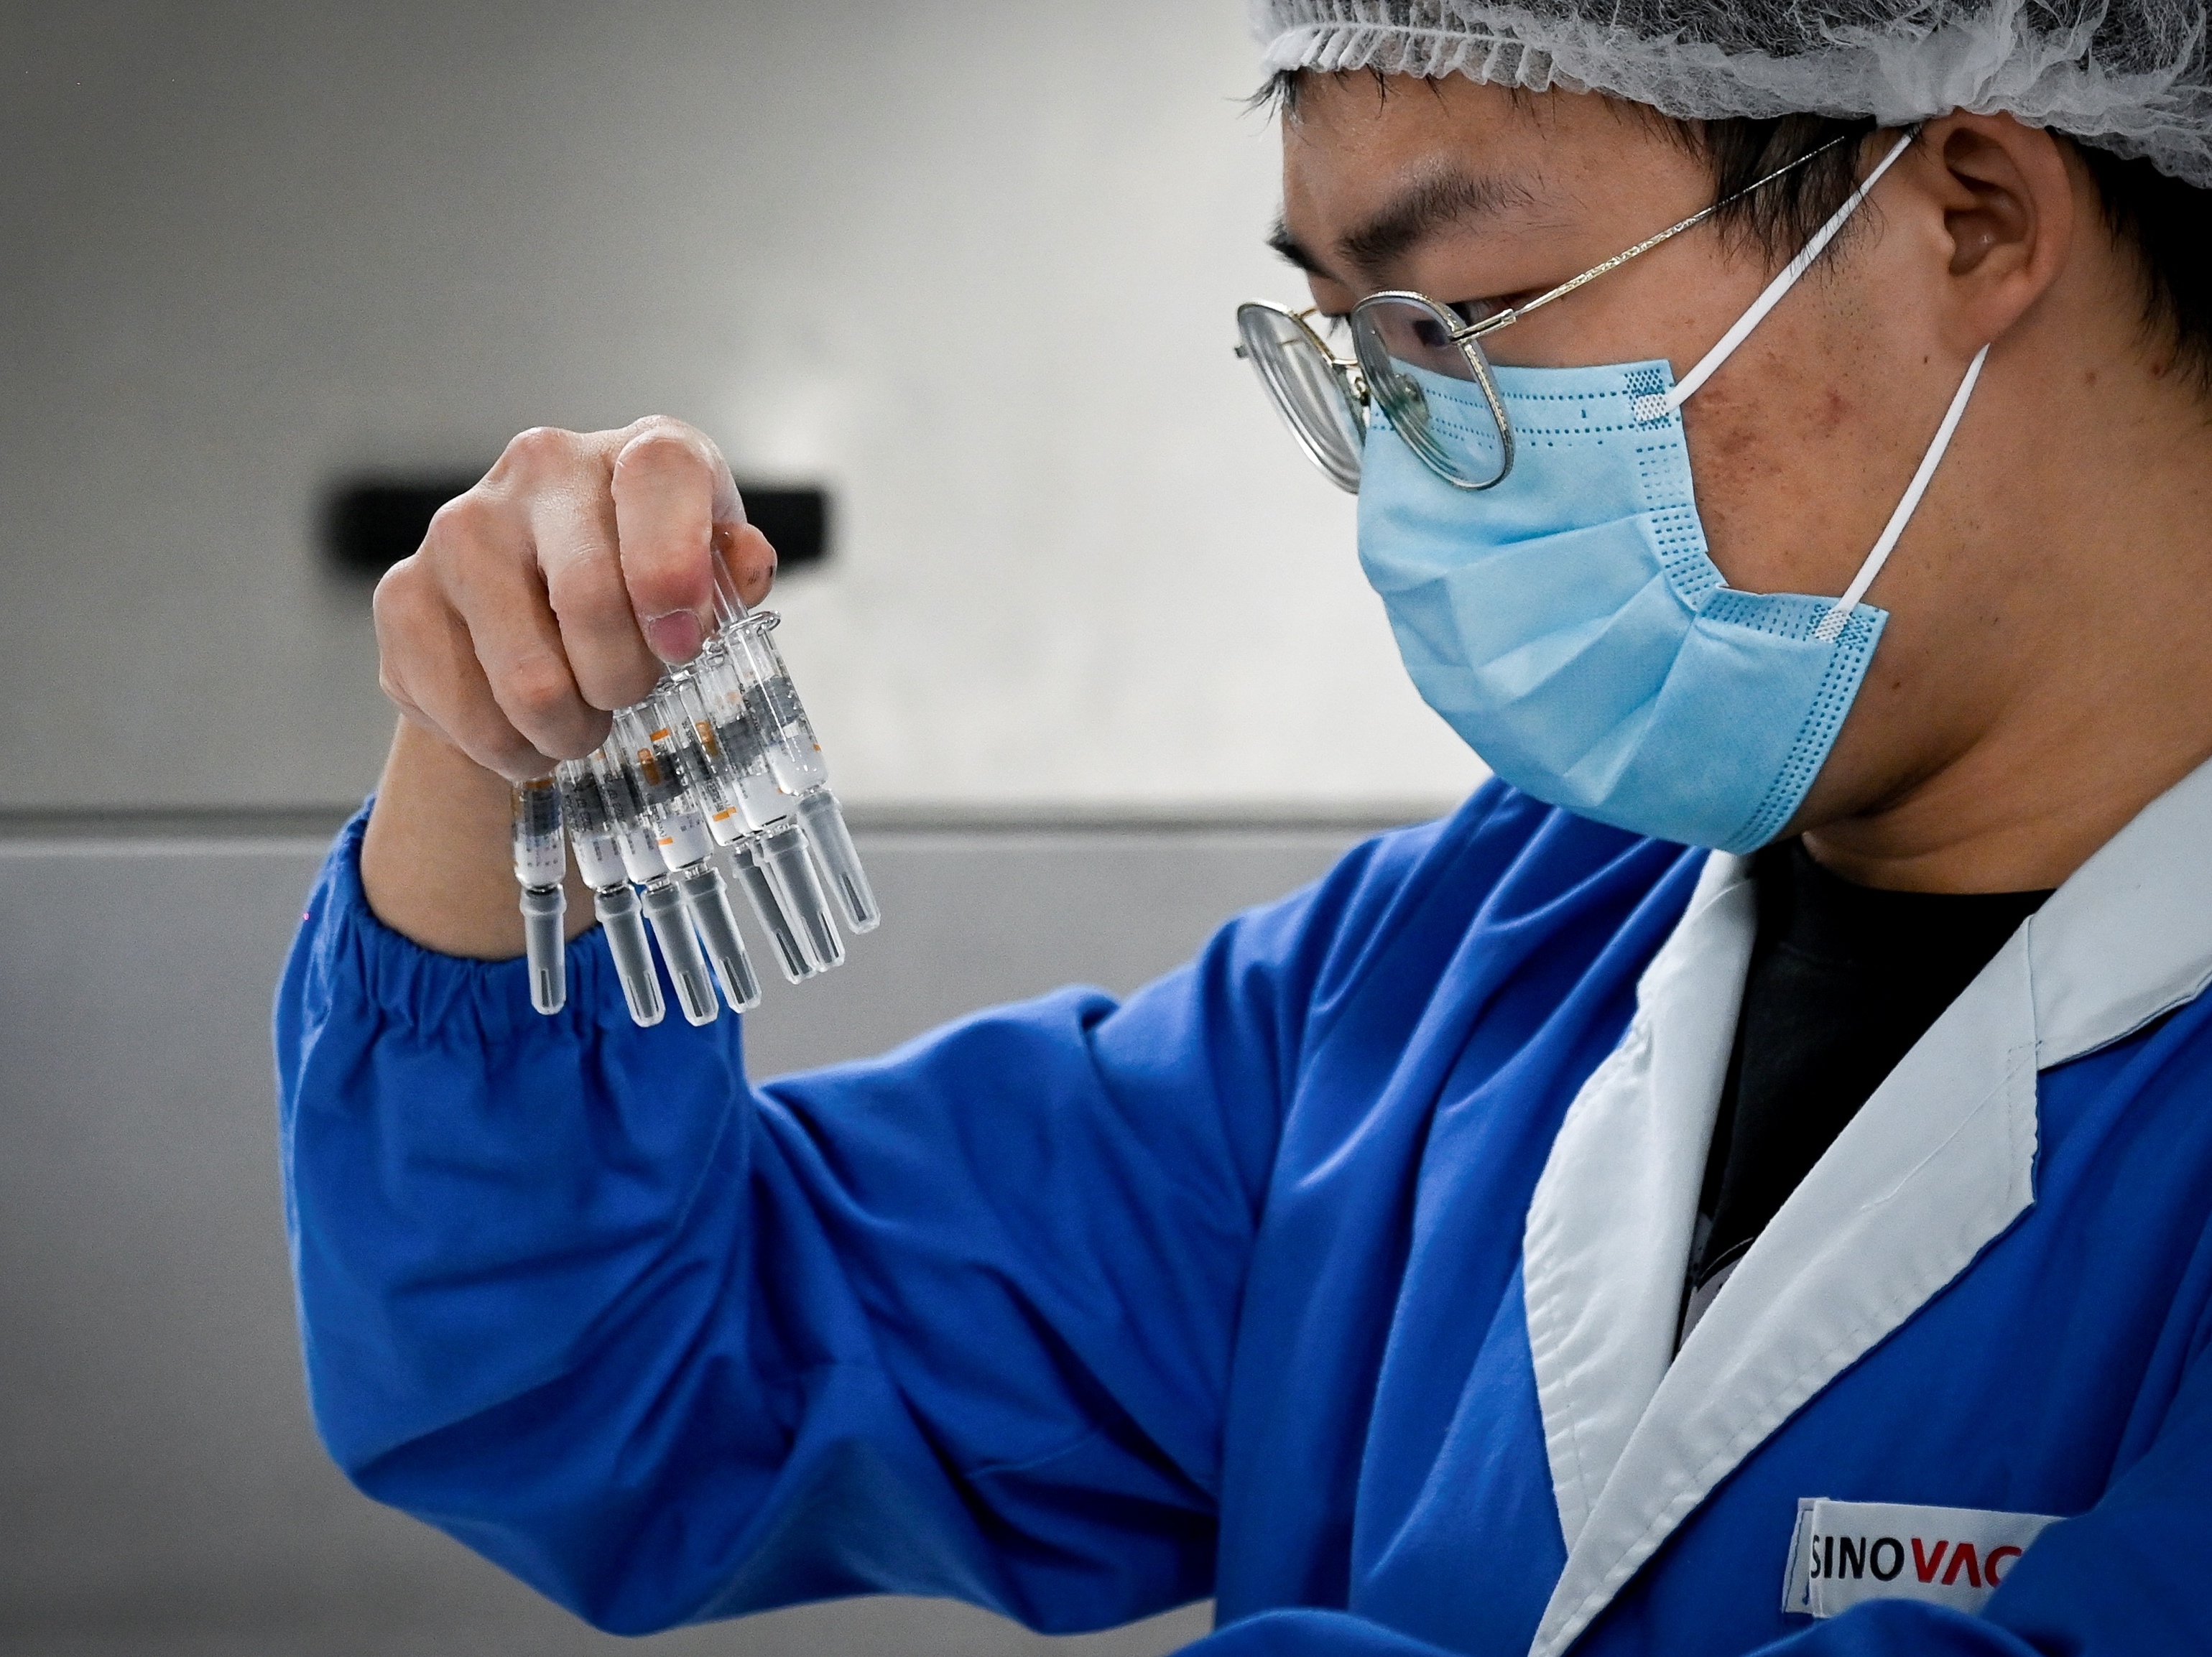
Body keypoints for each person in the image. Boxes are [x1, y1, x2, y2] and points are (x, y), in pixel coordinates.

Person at [277, 0, 2212, 1651]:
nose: (1405, 481)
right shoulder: (1463, 981)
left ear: (1969, 218)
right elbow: (618, 1380)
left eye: (1468, 315)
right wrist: (506, 742)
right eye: (1356, 357)